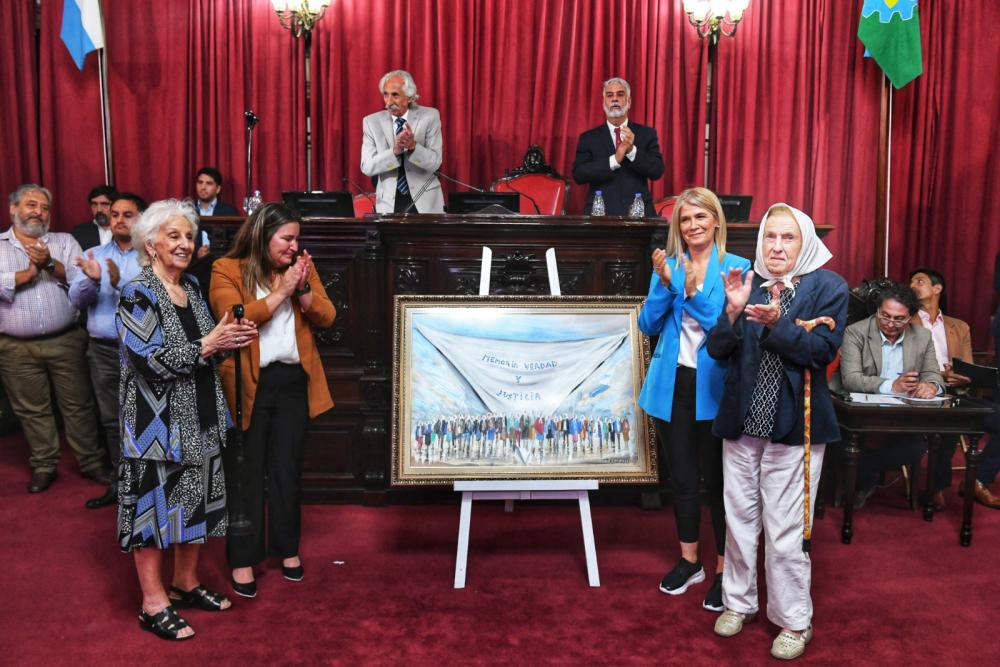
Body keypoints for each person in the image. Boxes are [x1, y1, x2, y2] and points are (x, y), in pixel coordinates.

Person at [708, 203, 848, 660]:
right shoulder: (745, 284)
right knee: (740, 521)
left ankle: (793, 620)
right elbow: (718, 350)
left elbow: (821, 351)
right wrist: (731, 313)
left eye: (787, 238)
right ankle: (738, 602)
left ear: (804, 241)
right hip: (744, 424)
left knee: (786, 531)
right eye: (771, 237)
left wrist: (778, 324)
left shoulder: (829, 287)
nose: (777, 246)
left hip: (794, 428)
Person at [117, 199, 257, 640]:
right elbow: (150, 361)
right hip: (154, 426)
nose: (183, 244)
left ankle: (186, 582)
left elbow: (206, 346)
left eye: (189, 236)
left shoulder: (193, 289)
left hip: (202, 414)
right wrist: (207, 345)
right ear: (151, 243)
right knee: (152, 514)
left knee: (196, 501)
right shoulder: (136, 292)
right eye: (173, 236)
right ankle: (153, 603)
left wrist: (230, 338)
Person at [209, 203, 336, 598]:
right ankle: (243, 559)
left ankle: (287, 550)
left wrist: (301, 291)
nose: (295, 246)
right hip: (249, 385)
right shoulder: (227, 269)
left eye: (297, 238)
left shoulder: (301, 269)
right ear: (263, 237)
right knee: (246, 474)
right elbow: (233, 315)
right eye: (287, 238)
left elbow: (328, 316)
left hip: (293, 380)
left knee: (287, 468)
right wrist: (281, 291)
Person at [637, 187, 750, 612]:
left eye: (701, 217)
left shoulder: (737, 268)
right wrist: (667, 284)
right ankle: (690, 562)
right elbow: (648, 322)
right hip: (671, 386)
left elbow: (723, 326)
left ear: (716, 221)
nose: (693, 226)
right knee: (682, 479)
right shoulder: (669, 265)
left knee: (720, 485)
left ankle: (724, 570)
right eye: (685, 220)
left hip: (716, 388)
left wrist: (685, 289)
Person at [0, 184, 105, 493]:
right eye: (31, 205)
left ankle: (91, 461)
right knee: (32, 409)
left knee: (79, 405)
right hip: (15, 346)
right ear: (13, 209)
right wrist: (25, 275)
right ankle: (44, 464)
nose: (38, 212)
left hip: (66, 340)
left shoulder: (63, 242)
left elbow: (82, 282)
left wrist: (48, 264)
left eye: (44, 207)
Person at [833, 283, 944, 509]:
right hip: (859, 415)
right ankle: (864, 479)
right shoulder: (856, 332)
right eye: (885, 316)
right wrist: (891, 386)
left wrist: (931, 386)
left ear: (911, 317)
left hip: (902, 417)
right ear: (877, 311)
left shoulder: (922, 336)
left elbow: (934, 374)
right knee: (847, 444)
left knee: (916, 447)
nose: (890, 323)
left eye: (898, 319)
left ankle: (866, 476)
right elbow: (851, 379)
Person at [69, 192, 146, 508]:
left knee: (143, 420)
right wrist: (92, 280)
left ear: (140, 218)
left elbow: (152, 306)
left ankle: (146, 487)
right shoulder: (93, 254)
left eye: (127, 214)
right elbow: (75, 301)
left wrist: (117, 284)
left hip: (142, 353)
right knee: (112, 421)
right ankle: (120, 485)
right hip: (103, 351)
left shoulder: (151, 257)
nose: (119, 220)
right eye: (115, 214)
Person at [910, 267, 974, 508]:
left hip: (954, 392)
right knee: (943, 426)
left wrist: (960, 376)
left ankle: (940, 486)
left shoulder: (960, 326)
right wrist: (938, 375)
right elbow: (905, 363)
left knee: (954, 424)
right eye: (912, 282)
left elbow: (968, 367)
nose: (913, 285)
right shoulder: (907, 321)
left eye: (920, 281)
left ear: (937, 288)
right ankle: (935, 488)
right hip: (919, 389)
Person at [571, 77, 664, 216]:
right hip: (600, 215)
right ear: (604, 103)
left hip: (640, 216)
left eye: (620, 94)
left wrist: (632, 151)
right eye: (610, 95)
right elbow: (579, 174)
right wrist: (614, 160)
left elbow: (657, 170)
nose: (615, 99)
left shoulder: (646, 133)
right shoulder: (588, 138)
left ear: (629, 101)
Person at [360, 69, 445, 214]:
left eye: (395, 95)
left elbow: (435, 162)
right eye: (385, 94)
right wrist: (394, 152)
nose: (389, 101)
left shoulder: (430, 117)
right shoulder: (371, 122)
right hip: (388, 204)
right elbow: (367, 167)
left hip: (425, 202)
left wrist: (413, 147)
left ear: (410, 97)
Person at [71, 184, 117, 250]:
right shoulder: (79, 233)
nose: (99, 210)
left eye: (104, 204)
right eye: (94, 204)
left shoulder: (125, 231)